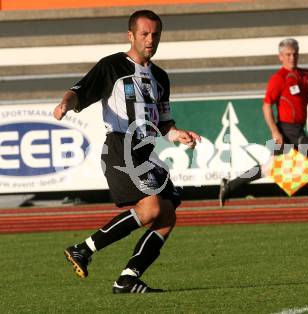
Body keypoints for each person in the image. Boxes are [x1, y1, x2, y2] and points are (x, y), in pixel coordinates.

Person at [53, 10, 201, 294]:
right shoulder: (112, 66)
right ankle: (83, 248)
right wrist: (65, 104)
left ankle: (128, 277)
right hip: (121, 146)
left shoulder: (160, 77)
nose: (150, 39)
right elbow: (79, 90)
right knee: (152, 208)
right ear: (130, 35)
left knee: (167, 216)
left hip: (146, 150)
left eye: (155, 34)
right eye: (144, 34)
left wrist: (177, 134)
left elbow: (165, 122)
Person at [219, 38, 308, 219]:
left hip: (297, 128)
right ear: (280, 57)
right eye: (288, 54)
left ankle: (229, 187)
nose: (292, 57)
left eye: (295, 54)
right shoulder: (279, 78)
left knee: (269, 168)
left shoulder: (306, 75)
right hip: (286, 129)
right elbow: (266, 106)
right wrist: (275, 131)